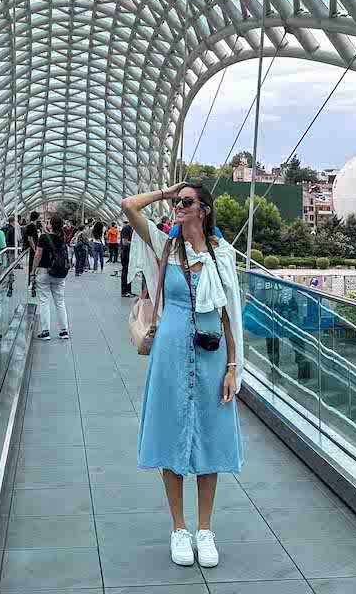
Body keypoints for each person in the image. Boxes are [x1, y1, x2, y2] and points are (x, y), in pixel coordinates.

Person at [121, 182, 244, 570]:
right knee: (171, 432)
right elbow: (128, 206)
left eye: (186, 202)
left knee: (210, 437)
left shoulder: (222, 255)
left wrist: (232, 366)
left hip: (211, 357)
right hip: (171, 353)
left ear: (204, 210)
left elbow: (230, 314)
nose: (179, 207)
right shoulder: (165, 247)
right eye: (178, 201)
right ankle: (179, 528)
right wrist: (165, 193)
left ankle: (204, 529)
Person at [34, 214, 70, 340]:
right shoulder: (62, 237)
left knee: (44, 301)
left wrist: (33, 272)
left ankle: (45, 332)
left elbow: (38, 255)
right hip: (59, 273)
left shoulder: (44, 238)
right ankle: (64, 331)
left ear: (50, 224)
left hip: (44, 272)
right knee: (60, 302)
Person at [24, 211, 41, 297]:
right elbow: (30, 239)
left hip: (35, 249)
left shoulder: (34, 226)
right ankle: (31, 283)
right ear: (36, 217)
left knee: (34, 266)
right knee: (32, 266)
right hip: (33, 250)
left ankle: (33, 283)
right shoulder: (31, 226)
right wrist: (34, 249)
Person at [120, 220, 135, 297]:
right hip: (125, 253)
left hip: (129, 253)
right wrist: (134, 243)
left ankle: (128, 290)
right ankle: (124, 291)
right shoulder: (126, 229)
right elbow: (124, 242)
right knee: (125, 271)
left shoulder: (131, 229)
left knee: (129, 272)